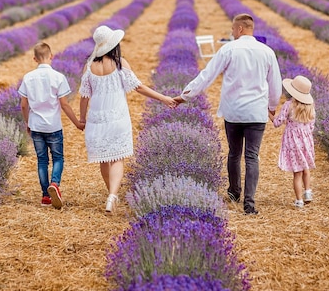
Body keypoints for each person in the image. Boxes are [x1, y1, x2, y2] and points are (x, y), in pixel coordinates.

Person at [174, 13, 282, 215]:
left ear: (240, 29)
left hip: (234, 111)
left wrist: (185, 96)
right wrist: (272, 106)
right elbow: (275, 83)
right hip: (256, 112)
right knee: (252, 156)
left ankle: (234, 192)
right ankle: (249, 204)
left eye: (233, 29)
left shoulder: (229, 50)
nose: (232, 33)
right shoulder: (267, 52)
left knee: (234, 153)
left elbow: (207, 75)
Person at [79, 25, 177, 214]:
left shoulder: (89, 66)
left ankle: (111, 194)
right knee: (117, 158)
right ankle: (112, 196)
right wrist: (163, 98)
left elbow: (84, 97)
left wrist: (82, 118)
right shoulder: (120, 63)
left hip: (96, 119)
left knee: (104, 159)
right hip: (117, 116)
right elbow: (138, 87)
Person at [19, 42, 84, 209]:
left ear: (34, 59)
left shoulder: (28, 77)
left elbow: (24, 105)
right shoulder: (58, 77)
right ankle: (54, 183)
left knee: (42, 160)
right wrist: (77, 122)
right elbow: (64, 104)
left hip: (36, 126)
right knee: (58, 158)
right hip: (53, 126)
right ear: (51, 56)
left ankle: (45, 197)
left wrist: (28, 122)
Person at [272, 75, 316, 209]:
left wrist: (269, 113)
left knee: (297, 172)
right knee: (305, 168)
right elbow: (311, 125)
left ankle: (299, 201)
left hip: (293, 142)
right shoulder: (310, 107)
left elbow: (277, 122)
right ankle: (308, 192)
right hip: (306, 140)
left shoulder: (288, 105)